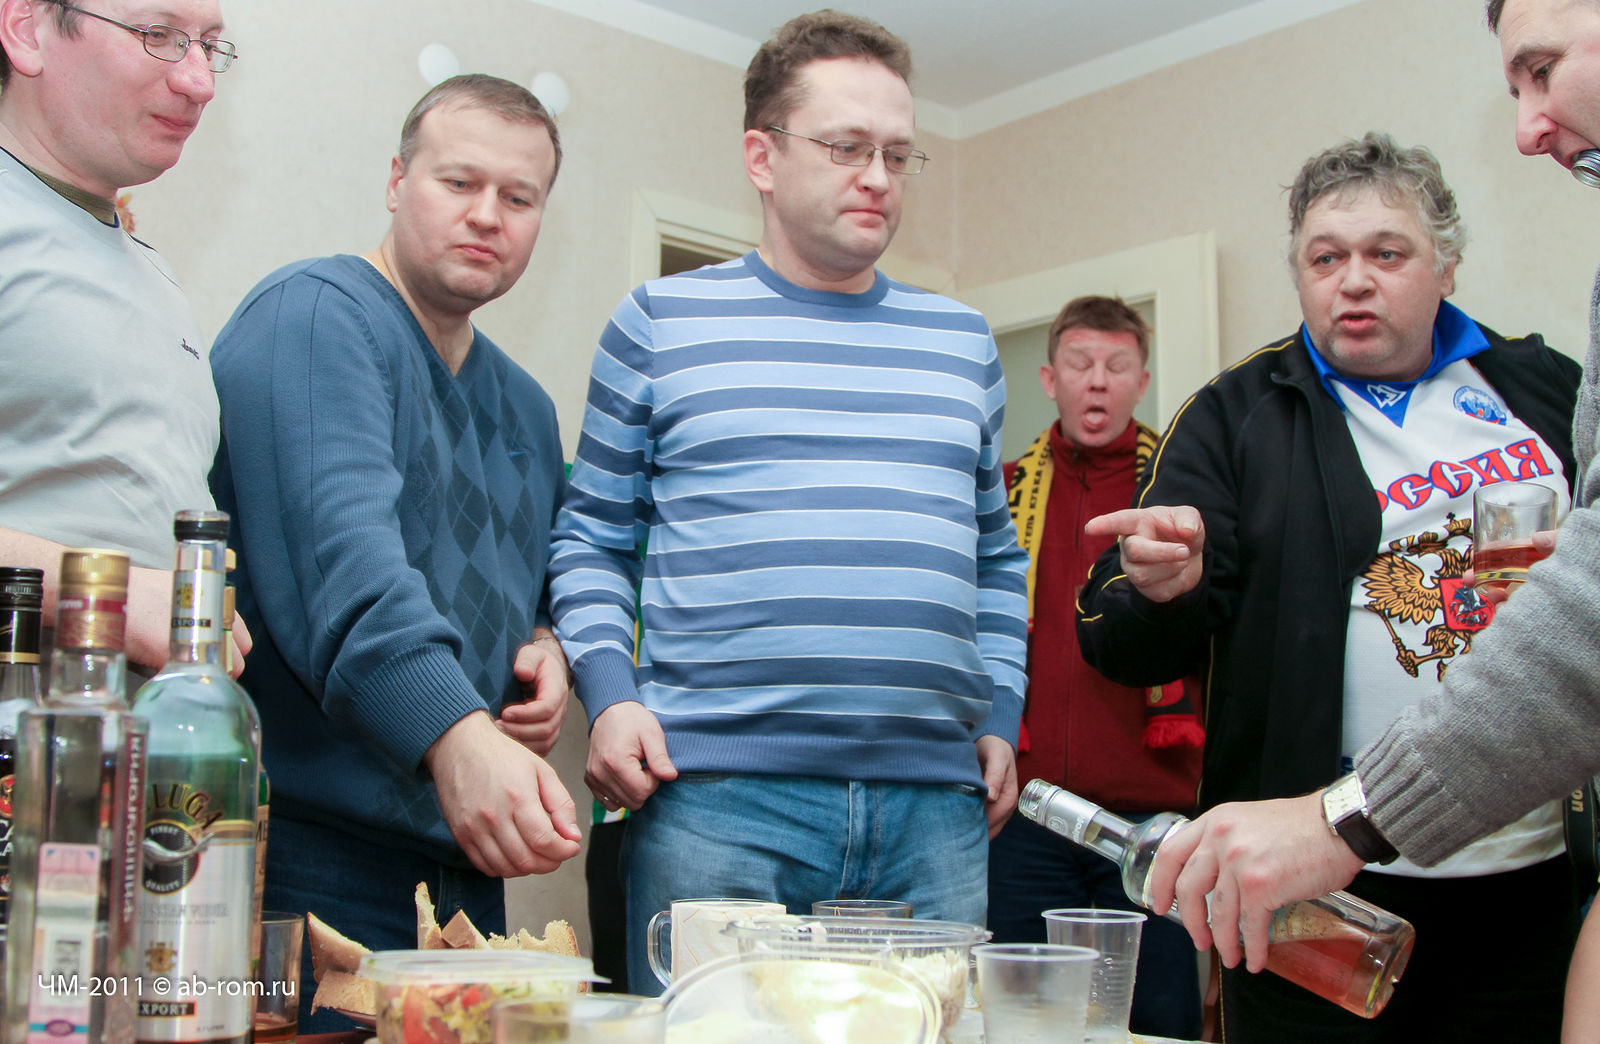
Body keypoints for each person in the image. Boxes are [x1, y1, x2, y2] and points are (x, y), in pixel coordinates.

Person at [546, 10, 1029, 994]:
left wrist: (1003, 713)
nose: (878, 177)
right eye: (847, 147)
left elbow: (994, 558)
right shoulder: (660, 321)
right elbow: (590, 536)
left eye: (897, 153)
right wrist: (611, 696)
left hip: (935, 809)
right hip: (718, 803)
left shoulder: (963, 344)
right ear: (761, 157)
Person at [1136, 0, 1600, 1013]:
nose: (1353, 281)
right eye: (1324, 257)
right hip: (1319, 880)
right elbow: (1128, 646)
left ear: (1446, 264)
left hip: (1524, 862)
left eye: (1386, 254)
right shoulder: (1234, 414)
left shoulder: (1545, 385)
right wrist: (1157, 587)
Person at [208, 74, 580, 1031]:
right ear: (394, 181)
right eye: (459, 182)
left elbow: (537, 576)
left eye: (519, 197)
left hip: (466, 870)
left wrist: (548, 642)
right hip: (300, 860)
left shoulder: (529, 408)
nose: (487, 215)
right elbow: (348, 570)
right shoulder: (314, 316)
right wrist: (458, 734)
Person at [0, 0, 249, 676]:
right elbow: (127, 596)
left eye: (208, 45)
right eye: (158, 35)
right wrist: (103, 591)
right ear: (26, 29)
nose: (200, 82)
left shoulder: (155, 276)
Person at [988, 295, 1202, 1040]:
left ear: (1142, 381)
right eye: (1080, 364)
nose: (1098, 381)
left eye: (1117, 366)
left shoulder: (1183, 499)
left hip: (1152, 820)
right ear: (1051, 379)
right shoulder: (1001, 492)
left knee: (1155, 1024)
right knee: (1020, 1024)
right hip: (1024, 813)